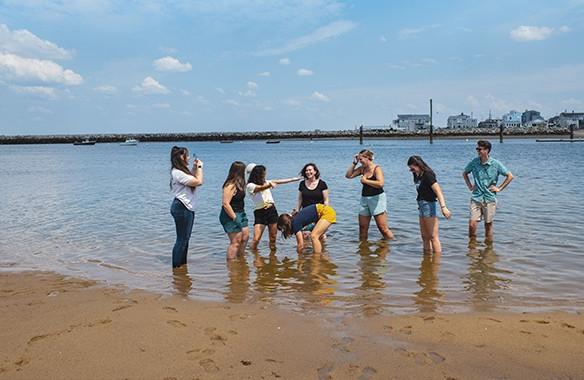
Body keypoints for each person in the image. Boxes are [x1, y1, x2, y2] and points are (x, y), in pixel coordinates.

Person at [463, 140, 513, 243]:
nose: (477, 151)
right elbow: (464, 173)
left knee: (488, 224)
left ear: (487, 150)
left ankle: (488, 248)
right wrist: (469, 185)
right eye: (477, 149)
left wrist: (499, 188)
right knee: (472, 224)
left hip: (490, 198)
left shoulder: (496, 164)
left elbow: (510, 176)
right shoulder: (474, 162)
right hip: (476, 197)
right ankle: (472, 245)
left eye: (479, 149)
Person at [246, 163, 301, 250]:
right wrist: (269, 185)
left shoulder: (267, 182)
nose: (265, 175)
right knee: (256, 239)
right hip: (260, 213)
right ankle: (254, 256)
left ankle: (273, 258)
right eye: (264, 173)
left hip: (271, 211)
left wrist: (294, 179)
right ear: (259, 174)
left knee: (273, 238)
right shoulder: (250, 185)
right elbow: (259, 188)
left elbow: (281, 181)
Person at [345, 149, 394, 240]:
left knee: (382, 228)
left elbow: (380, 184)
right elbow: (348, 176)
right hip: (364, 199)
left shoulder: (377, 168)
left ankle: (392, 244)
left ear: (368, 158)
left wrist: (366, 181)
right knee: (362, 228)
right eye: (358, 160)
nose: (360, 162)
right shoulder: (362, 168)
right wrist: (354, 163)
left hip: (377, 199)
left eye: (361, 159)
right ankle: (363, 250)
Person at [407, 155, 452, 254]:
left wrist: (443, 207)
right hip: (421, 205)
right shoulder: (418, 175)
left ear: (418, 164)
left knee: (433, 236)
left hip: (429, 205)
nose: (411, 171)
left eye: (412, 169)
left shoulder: (428, 175)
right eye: (410, 169)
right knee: (424, 236)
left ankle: (436, 260)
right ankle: (427, 259)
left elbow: (438, 191)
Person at [169, 146, 203, 268]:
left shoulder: (181, 171)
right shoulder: (177, 172)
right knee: (182, 240)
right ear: (181, 157)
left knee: (185, 239)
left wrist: (194, 168)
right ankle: (177, 267)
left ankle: (182, 267)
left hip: (185, 207)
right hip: (182, 207)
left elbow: (192, 179)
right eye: (186, 155)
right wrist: (199, 167)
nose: (188, 158)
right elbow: (198, 182)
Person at [220, 161, 250, 260]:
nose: (245, 173)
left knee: (245, 237)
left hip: (241, 212)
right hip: (230, 214)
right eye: (244, 171)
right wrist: (234, 218)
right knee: (236, 242)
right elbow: (225, 203)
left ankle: (241, 259)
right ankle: (231, 264)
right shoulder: (230, 185)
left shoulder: (240, 184)